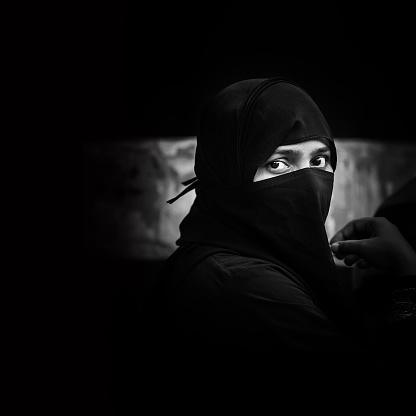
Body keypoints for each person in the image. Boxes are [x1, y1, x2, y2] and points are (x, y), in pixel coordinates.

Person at [146, 78, 416, 405]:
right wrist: (407, 280)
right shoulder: (247, 289)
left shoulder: (212, 258)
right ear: (228, 174)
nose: (309, 184)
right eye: (278, 163)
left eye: (319, 161)